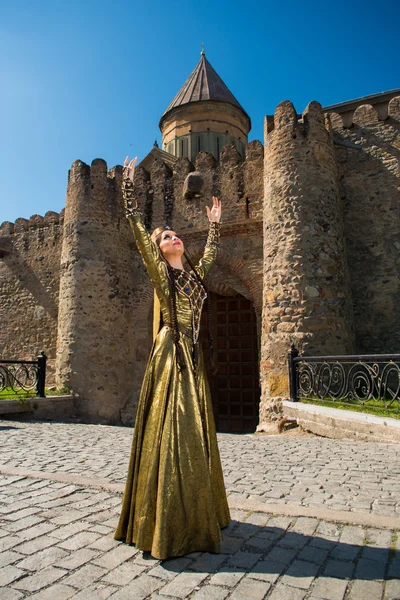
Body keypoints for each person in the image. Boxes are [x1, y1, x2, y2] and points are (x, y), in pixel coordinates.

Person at [114, 157, 230, 560]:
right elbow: (138, 232)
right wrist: (128, 190)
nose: (174, 238)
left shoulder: (195, 275)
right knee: (173, 430)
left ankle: (198, 509)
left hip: (192, 358)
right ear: (159, 250)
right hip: (170, 355)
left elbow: (212, 254)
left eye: (176, 235)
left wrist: (215, 223)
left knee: (195, 432)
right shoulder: (161, 274)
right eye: (166, 238)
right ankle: (167, 519)